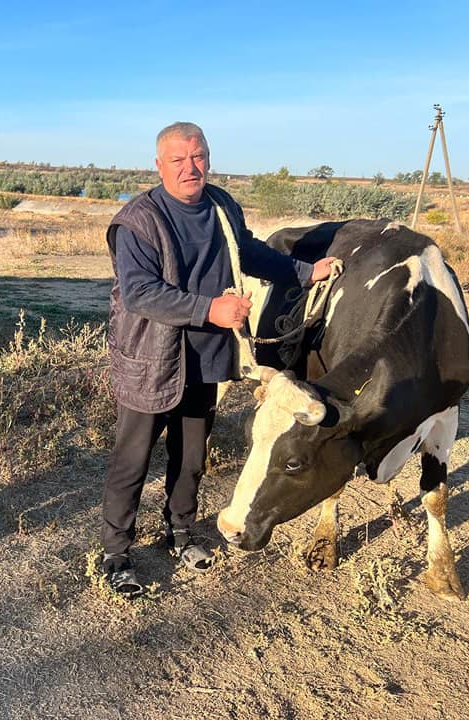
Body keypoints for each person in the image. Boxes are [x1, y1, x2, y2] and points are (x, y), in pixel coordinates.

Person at [101, 122, 337, 597]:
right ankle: (116, 552)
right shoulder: (137, 221)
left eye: (199, 156)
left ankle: (182, 532)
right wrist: (210, 308)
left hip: (206, 356)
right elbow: (140, 293)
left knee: (191, 458)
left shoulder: (223, 206)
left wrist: (306, 272)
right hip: (151, 358)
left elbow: (248, 253)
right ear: (158, 165)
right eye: (179, 160)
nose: (191, 168)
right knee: (132, 461)